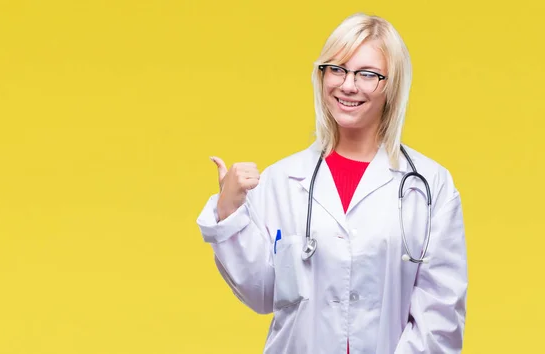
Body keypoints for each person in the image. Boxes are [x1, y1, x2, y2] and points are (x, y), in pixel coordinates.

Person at [196, 12, 468, 354]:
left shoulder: (430, 186)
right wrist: (229, 212)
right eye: (336, 69)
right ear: (321, 75)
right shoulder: (282, 181)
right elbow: (263, 294)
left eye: (367, 74)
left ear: (392, 84)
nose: (348, 85)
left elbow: (440, 315)